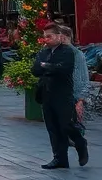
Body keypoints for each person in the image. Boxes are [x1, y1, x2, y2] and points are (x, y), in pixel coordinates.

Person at [32, 22, 88, 169]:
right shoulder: (44, 51)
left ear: (61, 37)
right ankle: (60, 158)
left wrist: (47, 66)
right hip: (47, 93)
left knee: (66, 125)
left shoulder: (69, 52)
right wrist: (48, 67)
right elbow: (36, 69)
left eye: (49, 36)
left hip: (64, 95)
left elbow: (65, 69)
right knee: (53, 127)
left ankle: (80, 142)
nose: (46, 39)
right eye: (45, 37)